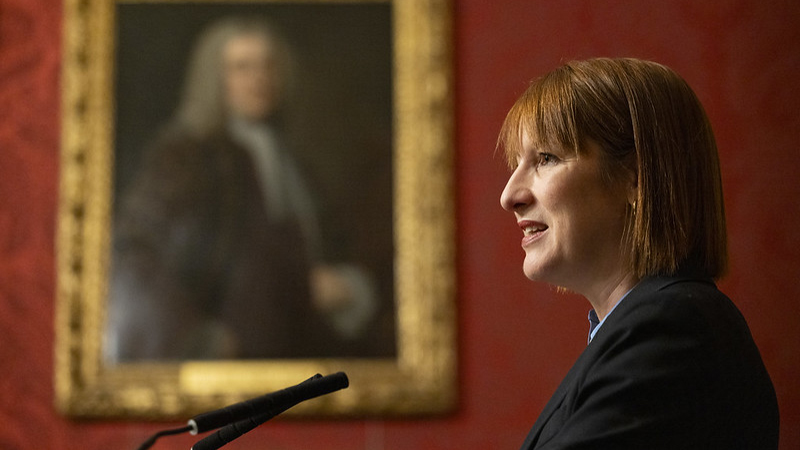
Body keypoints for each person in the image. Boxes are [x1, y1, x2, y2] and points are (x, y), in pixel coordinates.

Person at [497, 58, 779, 449]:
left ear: (635, 176)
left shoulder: (674, 327)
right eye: (517, 164)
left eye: (546, 158)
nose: (509, 195)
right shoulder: (649, 326)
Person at [105, 17, 379, 361]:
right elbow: (134, 250)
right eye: (242, 67)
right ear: (215, 78)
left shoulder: (295, 163)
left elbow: (330, 249)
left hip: (296, 347)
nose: (259, 78)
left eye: (268, 65)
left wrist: (347, 285)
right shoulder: (184, 157)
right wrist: (198, 337)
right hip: (229, 348)